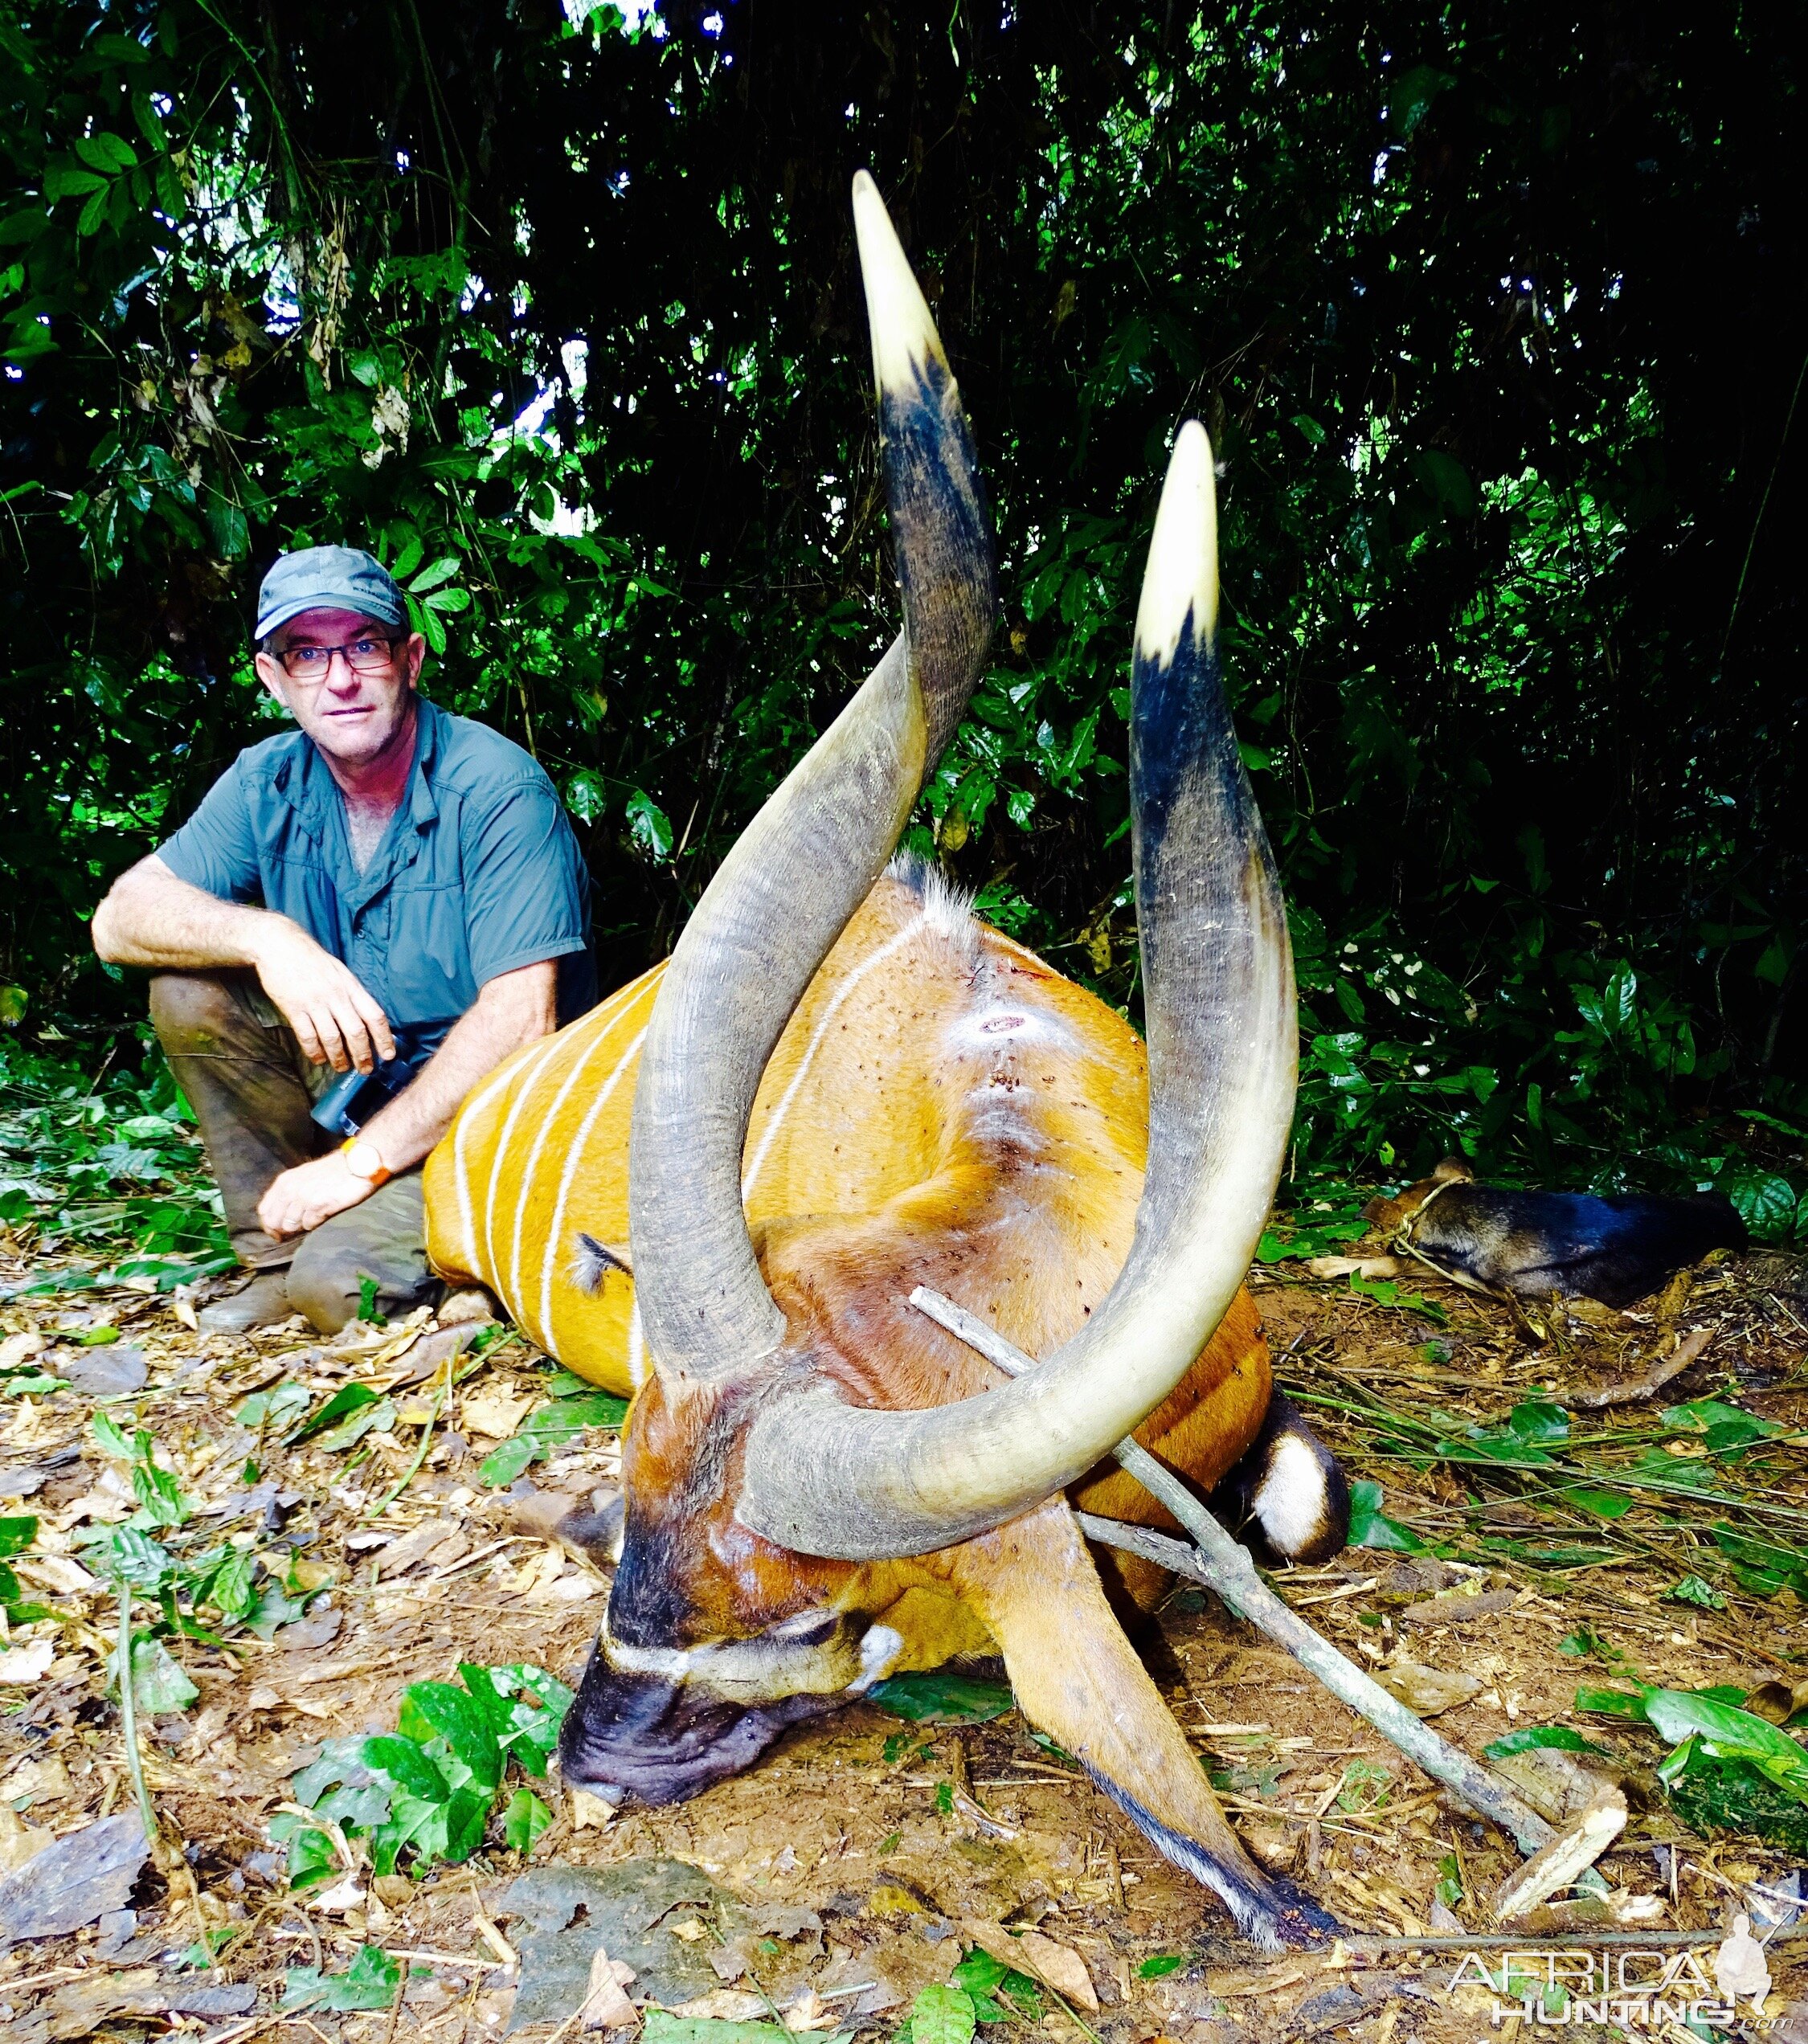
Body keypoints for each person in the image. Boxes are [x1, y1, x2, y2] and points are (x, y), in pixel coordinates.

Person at [92, 546, 594, 1335]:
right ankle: (275, 1259)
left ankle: (426, 1268)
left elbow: (520, 1023)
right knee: (189, 989)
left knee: (342, 1290)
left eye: (364, 645)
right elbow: (120, 918)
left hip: (494, 1123)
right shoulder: (270, 780)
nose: (341, 678)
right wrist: (269, 938)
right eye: (309, 653)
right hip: (364, 1088)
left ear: (411, 658)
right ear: (274, 678)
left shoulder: (498, 790)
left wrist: (356, 1169)